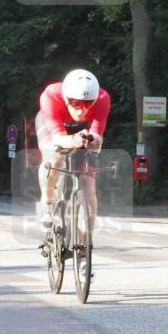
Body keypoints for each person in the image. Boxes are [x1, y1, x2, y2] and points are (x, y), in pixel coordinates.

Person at [35, 69, 111, 229]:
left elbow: (98, 135)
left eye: (88, 103)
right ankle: (47, 202)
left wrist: (94, 141)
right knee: (54, 156)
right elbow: (57, 138)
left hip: (82, 130)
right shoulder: (50, 96)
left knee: (89, 186)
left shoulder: (103, 98)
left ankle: (85, 244)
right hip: (53, 127)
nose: (81, 109)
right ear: (65, 97)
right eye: (76, 102)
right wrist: (72, 140)